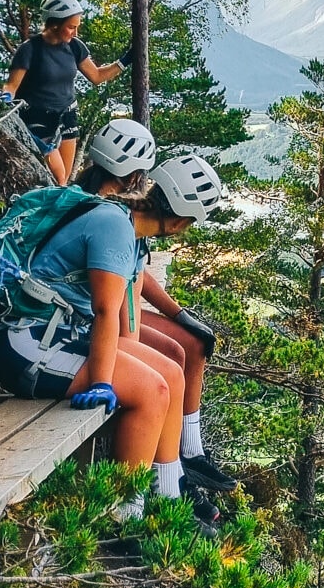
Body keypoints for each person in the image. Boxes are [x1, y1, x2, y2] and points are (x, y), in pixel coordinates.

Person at [0, 168, 214, 531]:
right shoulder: (115, 228)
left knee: (169, 374)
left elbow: (128, 327)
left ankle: (169, 495)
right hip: (29, 345)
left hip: (58, 335)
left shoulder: (130, 231)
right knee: (151, 391)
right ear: (177, 223)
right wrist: (102, 382)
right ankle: (126, 517)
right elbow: (107, 310)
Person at [74, 127, 238, 497]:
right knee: (169, 366)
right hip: (88, 321)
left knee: (186, 349)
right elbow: (116, 305)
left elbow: (132, 279)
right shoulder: (116, 218)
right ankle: (169, 483)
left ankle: (184, 462)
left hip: (92, 316)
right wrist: (116, 368)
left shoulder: (120, 210)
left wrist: (180, 314)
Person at [0, 0, 131, 185]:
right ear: (54, 24)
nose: (75, 33)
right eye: (71, 27)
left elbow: (96, 76)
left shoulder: (75, 47)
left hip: (67, 116)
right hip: (37, 118)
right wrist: (6, 100)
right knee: (59, 176)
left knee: (63, 180)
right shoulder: (30, 49)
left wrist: (126, 60)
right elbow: (11, 86)